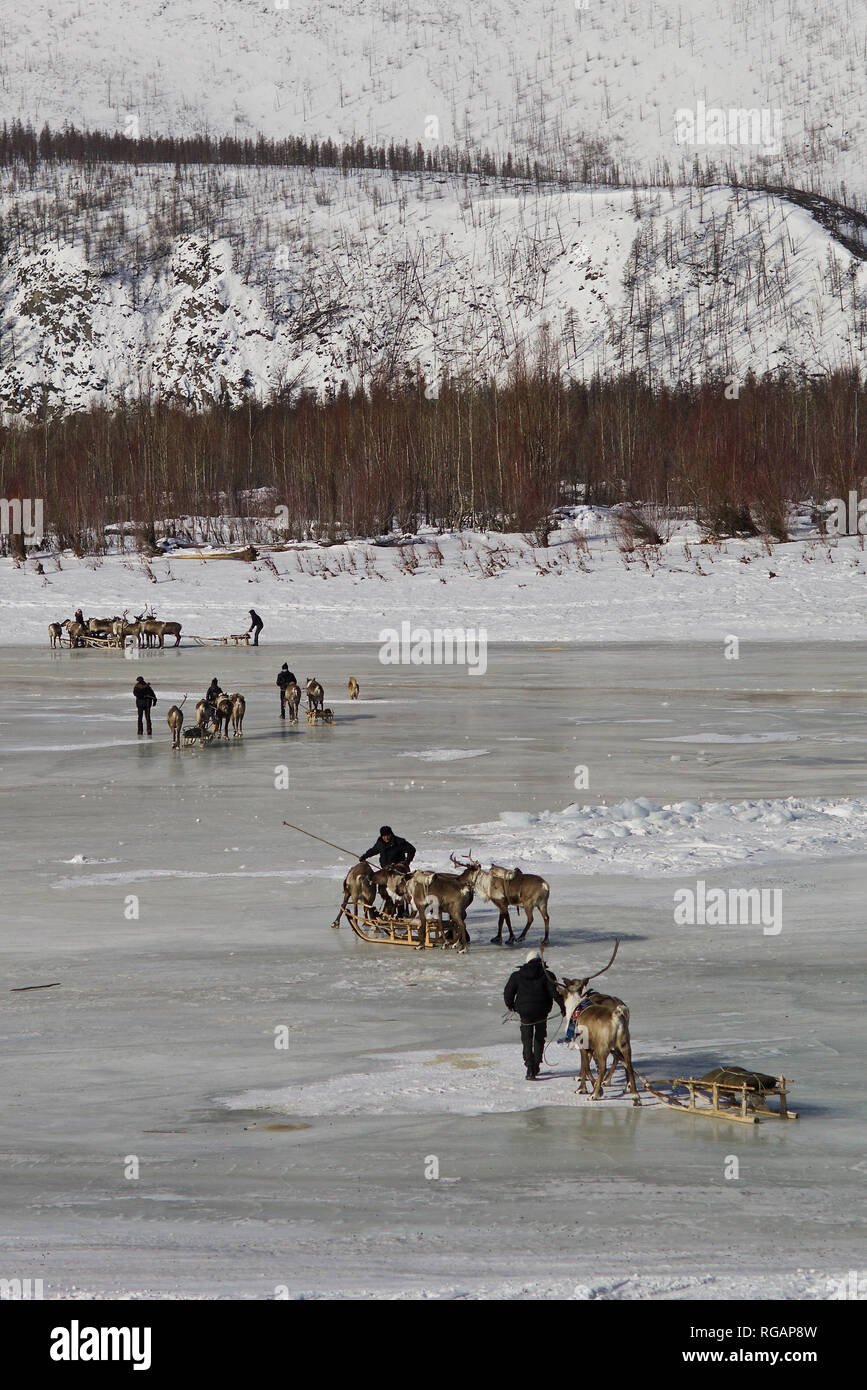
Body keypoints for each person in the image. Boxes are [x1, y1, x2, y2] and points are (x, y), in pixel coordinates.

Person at [503, 948, 565, 1080]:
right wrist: (564, 1007)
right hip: (542, 1011)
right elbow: (555, 993)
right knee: (539, 1037)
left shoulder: (517, 975)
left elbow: (508, 993)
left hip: (525, 1012)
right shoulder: (547, 975)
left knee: (526, 1039)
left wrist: (511, 1006)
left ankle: (530, 1067)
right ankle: (536, 1065)